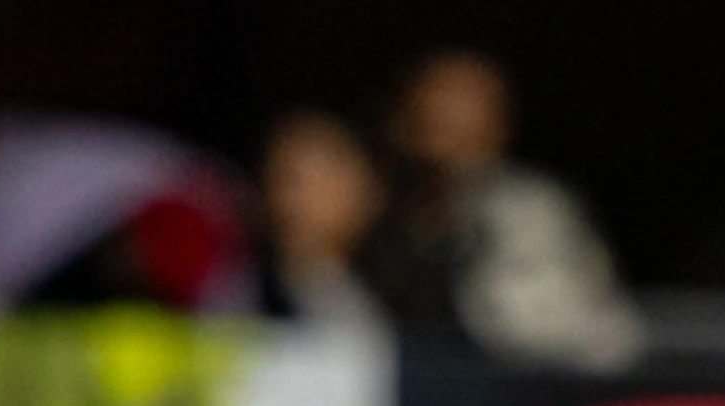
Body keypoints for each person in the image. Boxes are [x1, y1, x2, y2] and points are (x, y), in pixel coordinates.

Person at [361, 49, 641, 370]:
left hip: (525, 386)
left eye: (461, 114)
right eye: (428, 114)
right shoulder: (381, 210)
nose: (442, 116)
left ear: (498, 127)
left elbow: (555, 328)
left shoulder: (530, 210)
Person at [258, 109, 388, 326]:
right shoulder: (239, 293)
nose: (292, 201)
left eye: (316, 184)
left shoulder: (397, 296)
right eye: (285, 181)